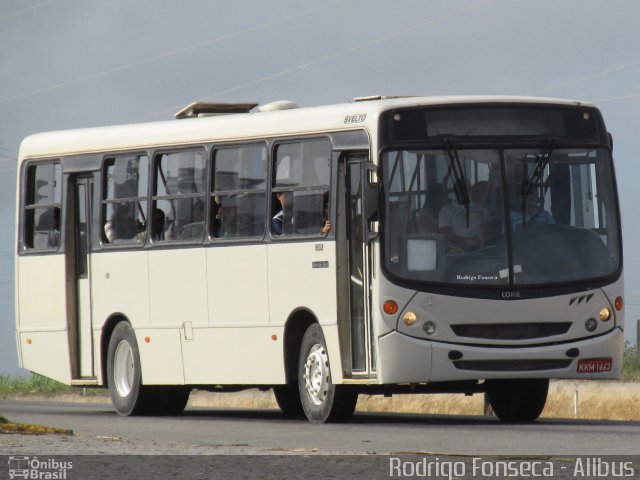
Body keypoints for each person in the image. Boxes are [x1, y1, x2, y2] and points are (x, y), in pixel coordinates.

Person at [438, 179, 482, 251]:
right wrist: (465, 241)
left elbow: (491, 226)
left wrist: (484, 237)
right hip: (459, 251)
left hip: (482, 249)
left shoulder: (480, 207)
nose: (466, 191)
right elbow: (446, 233)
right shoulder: (446, 210)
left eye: (468, 188)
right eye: (463, 189)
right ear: (456, 191)